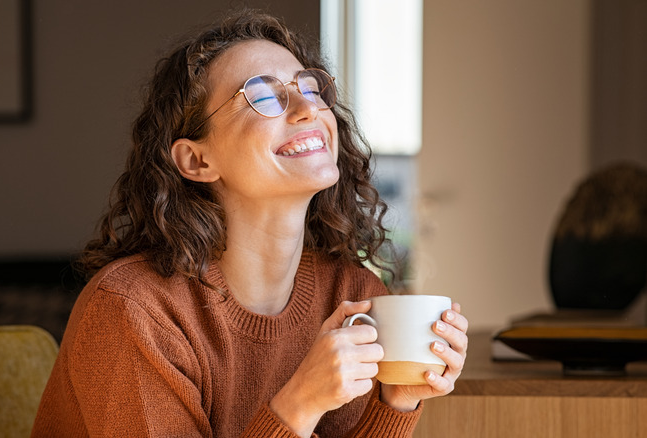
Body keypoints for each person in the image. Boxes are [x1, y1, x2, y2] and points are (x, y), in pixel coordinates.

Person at [32, 9, 468, 438]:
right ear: (197, 160)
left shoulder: (353, 296)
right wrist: (299, 405)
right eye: (261, 95)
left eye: (311, 88)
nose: (306, 109)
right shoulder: (135, 311)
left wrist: (397, 401)